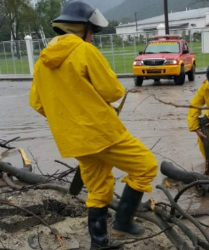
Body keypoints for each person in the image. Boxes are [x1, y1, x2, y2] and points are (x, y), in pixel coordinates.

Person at [29, 1, 158, 249]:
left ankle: (99, 243)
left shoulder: (42, 62)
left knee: (98, 186)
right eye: (92, 32)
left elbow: (36, 102)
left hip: (73, 139)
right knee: (145, 167)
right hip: (102, 132)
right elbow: (113, 91)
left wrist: (68, 118)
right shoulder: (85, 51)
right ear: (83, 28)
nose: (92, 37)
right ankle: (122, 223)